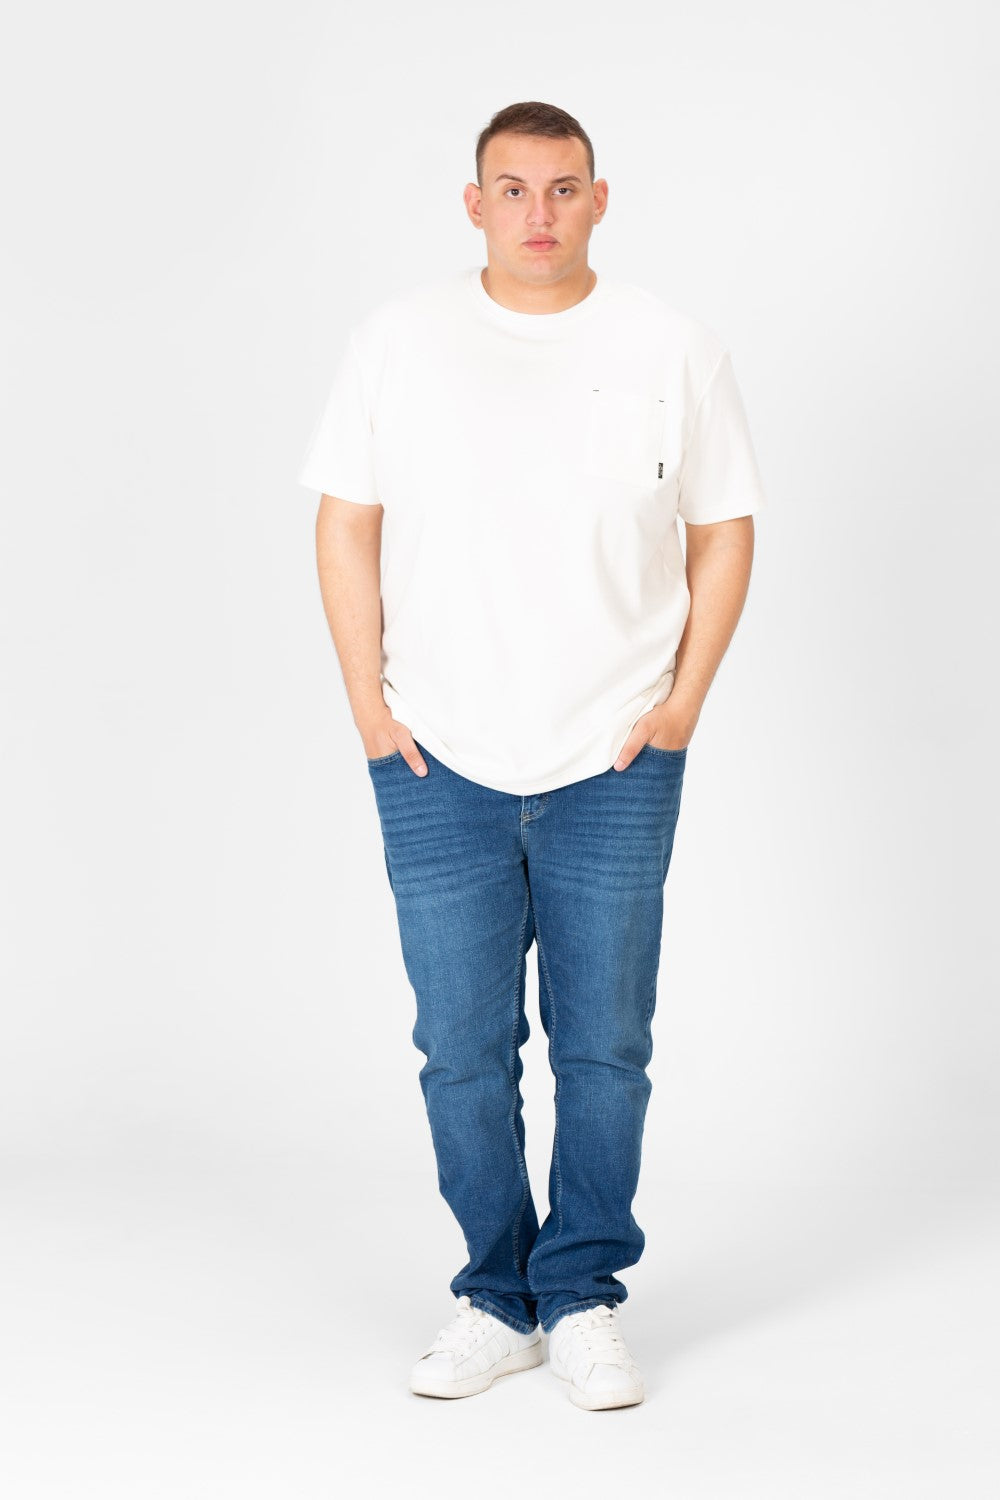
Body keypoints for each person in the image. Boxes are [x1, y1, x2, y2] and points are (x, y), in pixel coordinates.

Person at [298, 100, 767, 1410]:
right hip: (435, 753)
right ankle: (495, 1297)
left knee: (604, 1046)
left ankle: (583, 1295)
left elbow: (725, 526)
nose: (539, 214)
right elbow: (345, 522)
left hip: (614, 755)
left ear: (600, 199)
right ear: (475, 204)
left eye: (563, 189)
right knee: (460, 1047)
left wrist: (680, 707)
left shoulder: (672, 345)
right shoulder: (398, 342)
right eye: (513, 189)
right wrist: (369, 709)